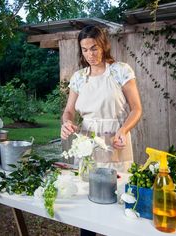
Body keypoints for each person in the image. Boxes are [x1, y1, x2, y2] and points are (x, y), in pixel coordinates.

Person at [61, 25, 142, 236]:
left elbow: (136, 109)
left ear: (104, 46)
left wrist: (123, 130)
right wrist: (67, 123)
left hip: (116, 141)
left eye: (94, 48)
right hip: (87, 144)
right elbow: (68, 111)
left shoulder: (120, 70)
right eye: (85, 50)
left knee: (117, 201)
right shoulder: (79, 77)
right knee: (87, 203)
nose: (90, 54)